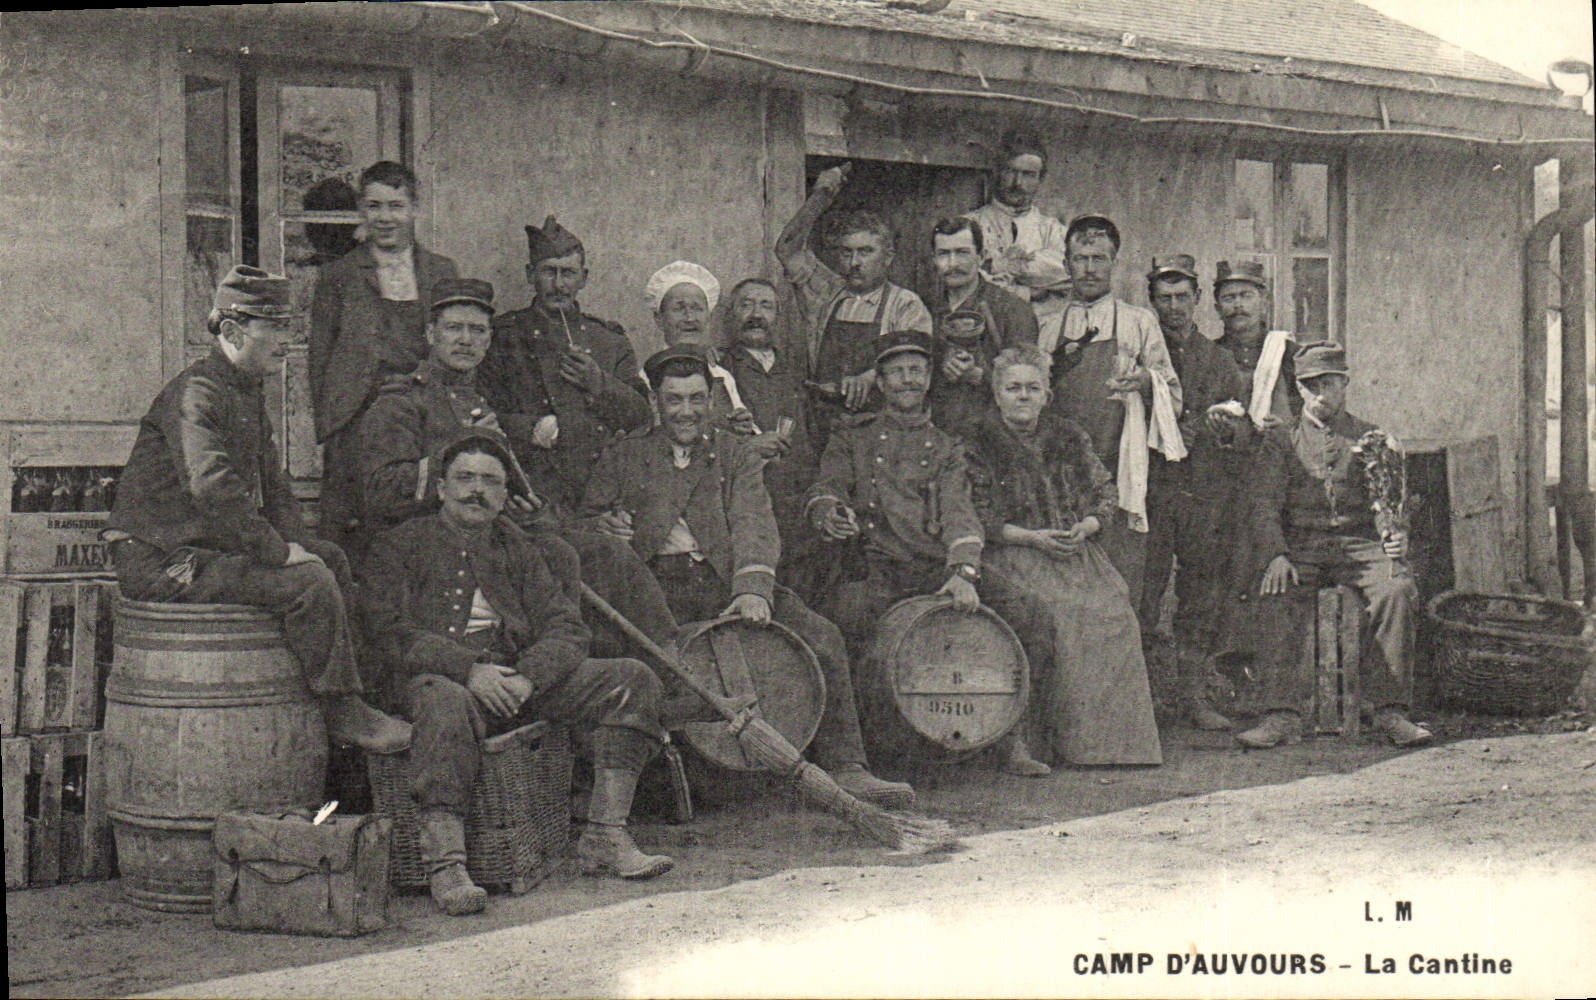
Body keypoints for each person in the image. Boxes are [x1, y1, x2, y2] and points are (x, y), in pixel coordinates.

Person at [579, 345, 913, 807]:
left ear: (712, 402)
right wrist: (604, 526)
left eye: (697, 399)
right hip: (654, 588)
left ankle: (847, 766)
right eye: (674, 400)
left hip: (724, 578)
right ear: (655, 401)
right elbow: (587, 522)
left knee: (822, 636)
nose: (686, 412)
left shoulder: (734, 454)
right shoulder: (624, 455)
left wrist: (754, 589)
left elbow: (754, 522)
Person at [363, 433, 675, 915]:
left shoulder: (521, 549)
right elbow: (387, 632)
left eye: (490, 481)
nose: (476, 490)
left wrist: (529, 677)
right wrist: (468, 670)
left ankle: (605, 835)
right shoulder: (398, 546)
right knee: (443, 701)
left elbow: (567, 629)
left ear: (505, 496)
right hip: (439, 684)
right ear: (441, 488)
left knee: (632, 679)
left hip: (517, 683)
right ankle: (446, 863)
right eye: (464, 478)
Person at [106, 265, 410, 755]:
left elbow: (276, 487)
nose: (288, 341)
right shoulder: (197, 394)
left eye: (289, 326)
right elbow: (212, 487)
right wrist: (275, 550)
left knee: (328, 557)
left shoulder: (244, 393)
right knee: (307, 582)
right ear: (231, 331)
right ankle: (344, 715)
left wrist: (297, 543)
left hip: (204, 551)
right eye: (277, 327)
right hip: (163, 561)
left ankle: (366, 694)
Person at [354, 278, 680, 660]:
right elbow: (380, 492)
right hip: (433, 540)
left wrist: (530, 507)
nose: (466, 340)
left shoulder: (480, 398)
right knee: (559, 556)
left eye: (477, 331)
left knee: (608, 554)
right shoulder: (400, 403)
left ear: (489, 340)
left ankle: (672, 666)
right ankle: (563, 668)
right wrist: (459, 444)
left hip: (496, 531)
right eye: (453, 328)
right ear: (430, 334)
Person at [805, 331, 1056, 776]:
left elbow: (960, 514)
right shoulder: (853, 436)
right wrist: (829, 514)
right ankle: (853, 756)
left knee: (1032, 615)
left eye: (916, 371)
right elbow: (827, 487)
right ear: (880, 382)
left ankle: (1014, 740)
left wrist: (963, 570)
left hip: (933, 565)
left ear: (927, 380)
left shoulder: (946, 447)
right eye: (897, 372)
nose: (907, 381)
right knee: (842, 622)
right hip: (875, 562)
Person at [963, 347, 1162, 765]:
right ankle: (1060, 744)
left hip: (1074, 553)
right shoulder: (977, 441)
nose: (1022, 396)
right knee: (1059, 613)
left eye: (1032, 388)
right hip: (1014, 552)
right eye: (1012, 388)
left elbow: (1105, 492)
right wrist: (1033, 537)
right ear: (996, 395)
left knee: (1114, 612)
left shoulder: (1069, 435)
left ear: (1046, 395)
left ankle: (1115, 747)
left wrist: (1087, 526)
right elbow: (975, 514)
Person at [1236, 342, 1431, 750]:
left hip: (1359, 545)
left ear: (1345, 383)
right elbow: (1263, 504)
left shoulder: (1371, 438)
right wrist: (1275, 553)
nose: (1321, 394)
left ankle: (1390, 711)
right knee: (1276, 593)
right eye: (1311, 386)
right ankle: (1280, 715)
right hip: (1301, 545)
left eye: (1330, 383)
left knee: (1396, 590)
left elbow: (1388, 500)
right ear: (1299, 389)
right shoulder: (1281, 440)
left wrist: (1395, 533)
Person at [309, 161, 459, 558]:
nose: (385, 218)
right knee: (350, 532)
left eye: (396, 206)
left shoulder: (441, 272)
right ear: (362, 209)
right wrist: (330, 425)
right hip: (355, 420)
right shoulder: (338, 275)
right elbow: (319, 358)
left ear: (414, 208)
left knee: (412, 522)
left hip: (417, 417)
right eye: (375, 206)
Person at [1137, 255, 1253, 731]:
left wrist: (1222, 427)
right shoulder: (1142, 352)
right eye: (1164, 298)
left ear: (1199, 299)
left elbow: (1238, 425)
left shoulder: (1219, 359)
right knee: (1144, 591)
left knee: (1200, 594)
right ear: (1152, 301)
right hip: (1152, 490)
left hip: (1203, 493)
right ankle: (1138, 700)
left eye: (1183, 296)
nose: (1174, 306)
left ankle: (1192, 697)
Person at [478, 216, 652, 514]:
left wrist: (598, 383)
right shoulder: (503, 337)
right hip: (528, 491)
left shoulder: (608, 340)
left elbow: (640, 417)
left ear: (584, 278)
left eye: (568, 273)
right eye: (549, 272)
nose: (559, 285)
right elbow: (480, 411)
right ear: (530, 274)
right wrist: (534, 429)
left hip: (599, 490)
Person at [1048, 214, 1182, 599]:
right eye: (1080, 258)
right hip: (1061, 472)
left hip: (1121, 469)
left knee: (1119, 580)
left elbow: (1174, 396)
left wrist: (1145, 381)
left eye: (1099, 259)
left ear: (1114, 263)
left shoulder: (1139, 323)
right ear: (1066, 263)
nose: (1089, 269)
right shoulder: (1047, 325)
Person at [775, 162, 932, 453]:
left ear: (887, 257)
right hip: (822, 426)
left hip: (882, 432)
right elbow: (787, 248)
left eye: (865, 252)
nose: (855, 263)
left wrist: (869, 378)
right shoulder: (827, 293)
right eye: (847, 253)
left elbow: (912, 360)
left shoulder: (905, 304)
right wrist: (820, 196)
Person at [717, 277, 819, 583]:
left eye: (766, 306)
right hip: (753, 501)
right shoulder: (720, 372)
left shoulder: (795, 372)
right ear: (731, 314)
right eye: (745, 305)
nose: (756, 314)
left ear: (779, 317)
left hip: (799, 501)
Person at [926, 216, 1039, 436]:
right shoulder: (924, 309)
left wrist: (978, 375)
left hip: (994, 437)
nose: (952, 264)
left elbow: (1029, 386)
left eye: (962, 252)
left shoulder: (1013, 310)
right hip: (936, 435)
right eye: (944, 254)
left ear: (981, 257)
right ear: (933, 259)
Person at [962, 131, 1071, 348]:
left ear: (1040, 179)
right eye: (1011, 172)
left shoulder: (1054, 231)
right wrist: (1032, 291)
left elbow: (1068, 272)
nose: (1017, 183)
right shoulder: (969, 225)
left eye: (1028, 174)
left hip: (1041, 340)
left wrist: (998, 266)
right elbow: (968, 282)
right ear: (997, 173)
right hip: (984, 339)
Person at [642, 260, 758, 436]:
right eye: (679, 308)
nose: (689, 318)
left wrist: (744, 427)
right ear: (659, 319)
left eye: (697, 308)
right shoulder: (645, 379)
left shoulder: (722, 376)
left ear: (708, 318)